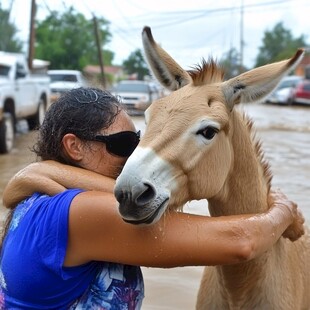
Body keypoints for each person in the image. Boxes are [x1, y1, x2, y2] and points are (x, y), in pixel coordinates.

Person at [0, 87, 304, 310]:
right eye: (122, 144)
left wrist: (36, 172)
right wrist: (283, 211)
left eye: (138, 140)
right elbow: (241, 243)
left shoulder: (42, 199)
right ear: (75, 147)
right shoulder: (83, 214)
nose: (135, 157)